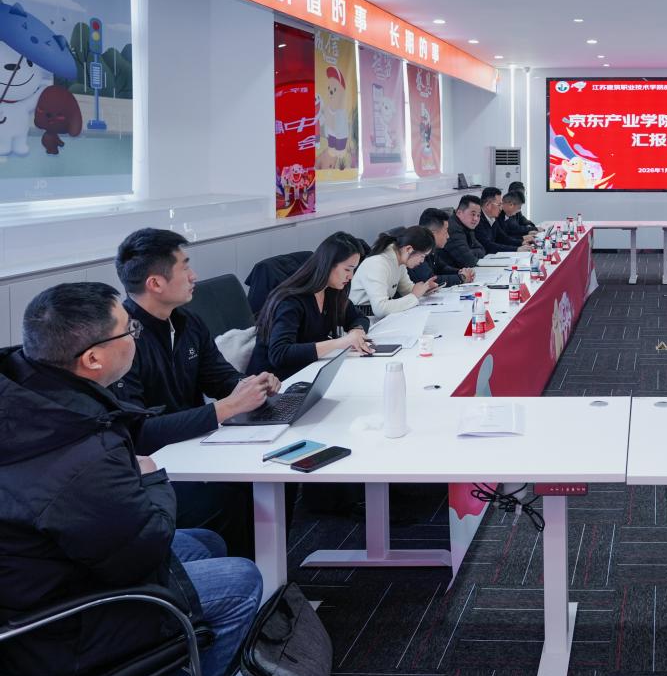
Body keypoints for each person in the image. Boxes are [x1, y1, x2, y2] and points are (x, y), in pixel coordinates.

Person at [0, 282, 261, 676]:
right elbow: (143, 551)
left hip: (40, 575)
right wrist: (151, 476)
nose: (135, 337)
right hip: (54, 629)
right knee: (243, 580)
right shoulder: (80, 452)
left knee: (206, 542)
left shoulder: (29, 394)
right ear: (93, 359)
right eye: (129, 330)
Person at [112, 228, 278, 557]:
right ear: (155, 283)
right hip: (153, 465)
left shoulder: (187, 322)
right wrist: (225, 409)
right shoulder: (121, 342)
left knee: (272, 474)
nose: (194, 276)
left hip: (197, 445)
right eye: (185, 267)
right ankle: (237, 577)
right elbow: (138, 433)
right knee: (228, 498)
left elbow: (219, 378)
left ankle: (266, 573)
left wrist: (250, 385)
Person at [247, 232, 372, 379]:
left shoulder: (332, 292)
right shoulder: (291, 300)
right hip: (271, 382)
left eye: (353, 270)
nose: (351, 276)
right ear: (328, 264)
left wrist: (357, 331)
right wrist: (340, 343)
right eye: (347, 269)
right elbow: (280, 353)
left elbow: (358, 318)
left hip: (306, 372)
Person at [350, 225, 439, 316]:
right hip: (364, 317)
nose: (422, 261)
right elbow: (380, 308)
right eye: (422, 256)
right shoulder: (378, 263)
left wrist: (424, 289)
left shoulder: (399, 260)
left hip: (379, 317)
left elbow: (406, 289)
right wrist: (414, 296)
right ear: (408, 249)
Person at [412, 208, 475, 286]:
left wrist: (459, 272)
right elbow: (430, 280)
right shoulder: (417, 250)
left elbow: (442, 268)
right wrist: (461, 278)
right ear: (433, 234)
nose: (448, 236)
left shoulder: (432, 248)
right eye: (445, 231)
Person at [474, 187, 530, 254]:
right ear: (488, 205)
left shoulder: (492, 218)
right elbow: (488, 246)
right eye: (499, 205)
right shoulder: (477, 220)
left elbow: (503, 238)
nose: (501, 208)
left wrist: (521, 242)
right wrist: (516, 249)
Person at [444, 194, 488, 268]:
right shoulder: (453, 228)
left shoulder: (467, 226)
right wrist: (470, 252)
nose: (476, 219)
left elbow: (482, 250)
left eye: (478, 215)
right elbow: (469, 261)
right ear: (459, 213)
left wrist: (469, 251)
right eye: (473, 214)